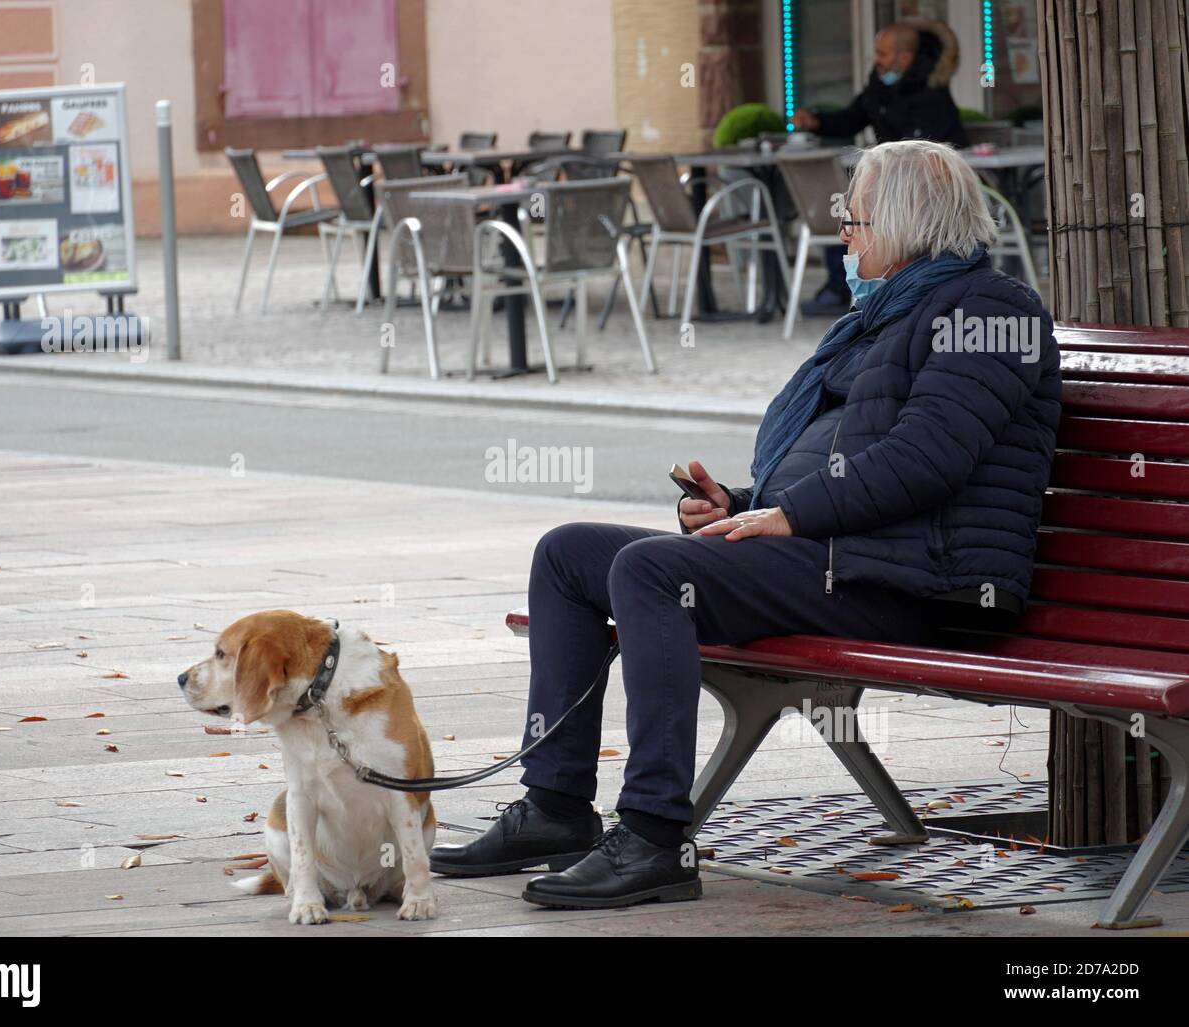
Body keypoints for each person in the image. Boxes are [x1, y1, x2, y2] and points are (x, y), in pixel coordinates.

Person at [428, 140, 1061, 910]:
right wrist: (740, 502)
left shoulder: (991, 311)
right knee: (567, 554)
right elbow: (837, 459)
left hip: (914, 581)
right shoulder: (879, 320)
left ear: (905, 222)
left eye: (856, 222)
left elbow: (927, 458)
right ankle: (557, 807)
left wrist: (788, 514)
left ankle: (656, 836)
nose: (845, 239)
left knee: (650, 572)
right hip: (834, 555)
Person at [794, 20, 969, 317]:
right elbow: (852, 118)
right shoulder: (877, 86)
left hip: (925, 192)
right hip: (887, 183)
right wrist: (818, 121)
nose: (877, 59)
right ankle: (842, 287)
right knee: (845, 210)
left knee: (865, 214)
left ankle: (894, 286)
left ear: (904, 57)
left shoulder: (932, 92)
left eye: (883, 53)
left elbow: (932, 152)